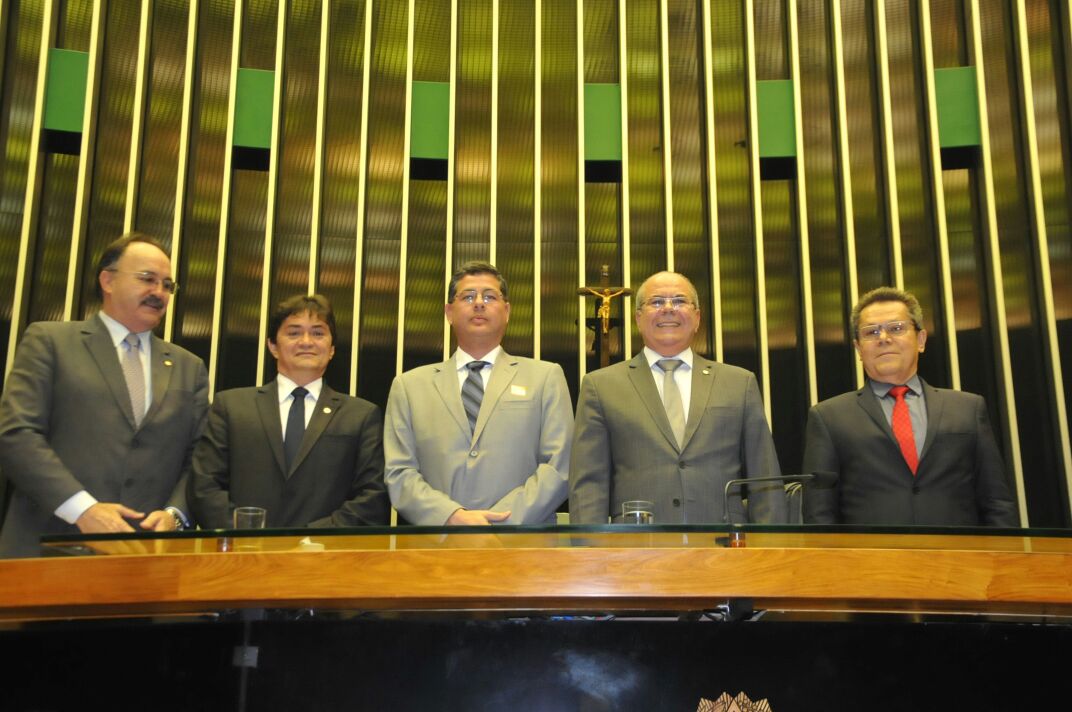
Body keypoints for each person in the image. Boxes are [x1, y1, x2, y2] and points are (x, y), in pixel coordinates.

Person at [0, 232, 208, 557]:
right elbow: (16, 434)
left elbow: (199, 458)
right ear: (107, 281)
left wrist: (174, 515)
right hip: (47, 547)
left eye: (167, 285)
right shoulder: (50, 341)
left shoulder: (189, 367)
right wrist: (82, 509)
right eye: (147, 279)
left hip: (146, 559)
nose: (159, 293)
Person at [570, 271, 785, 524]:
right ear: (638, 318)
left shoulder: (739, 383)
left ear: (697, 317)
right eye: (657, 302)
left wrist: (771, 549)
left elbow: (765, 478)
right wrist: (590, 555)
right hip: (634, 549)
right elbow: (588, 485)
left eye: (680, 301)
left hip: (725, 548)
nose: (668, 309)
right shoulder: (601, 386)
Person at [802, 286, 1018, 526]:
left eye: (896, 328)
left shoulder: (968, 408)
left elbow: (997, 502)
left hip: (958, 559)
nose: (883, 338)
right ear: (858, 348)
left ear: (921, 340)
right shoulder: (829, 417)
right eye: (871, 332)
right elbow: (819, 514)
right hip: (871, 562)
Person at [384, 261, 573, 525]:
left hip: (524, 545)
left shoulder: (545, 377)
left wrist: (500, 522)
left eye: (490, 296)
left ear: (506, 311)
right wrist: (450, 517)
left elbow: (559, 465)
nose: (479, 303)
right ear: (449, 312)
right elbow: (399, 472)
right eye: (468, 296)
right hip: (436, 547)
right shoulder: (409, 386)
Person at [188, 294, 388, 528]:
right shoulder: (230, 407)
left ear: (332, 348)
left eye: (318, 333)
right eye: (294, 332)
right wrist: (250, 536)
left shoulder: (361, 416)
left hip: (326, 557)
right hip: (243, 555)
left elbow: (373, 497)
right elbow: (204, 486)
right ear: (272, 346)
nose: (306, 341)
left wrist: (310, 541)